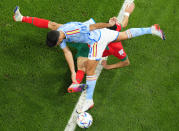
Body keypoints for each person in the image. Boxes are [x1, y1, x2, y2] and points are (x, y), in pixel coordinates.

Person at [13, 3, 165, 113]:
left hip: (96, 39)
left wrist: (108, 24)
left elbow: (93, 27)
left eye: (57, 43)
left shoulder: (73, 30)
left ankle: (89, 100)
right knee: (124, 35)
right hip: (100, 35)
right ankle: (151, 29)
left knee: (90, 69)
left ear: (58, 39)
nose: (59, 44)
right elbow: (66, 52)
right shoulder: (60, 33)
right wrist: (72, 73)